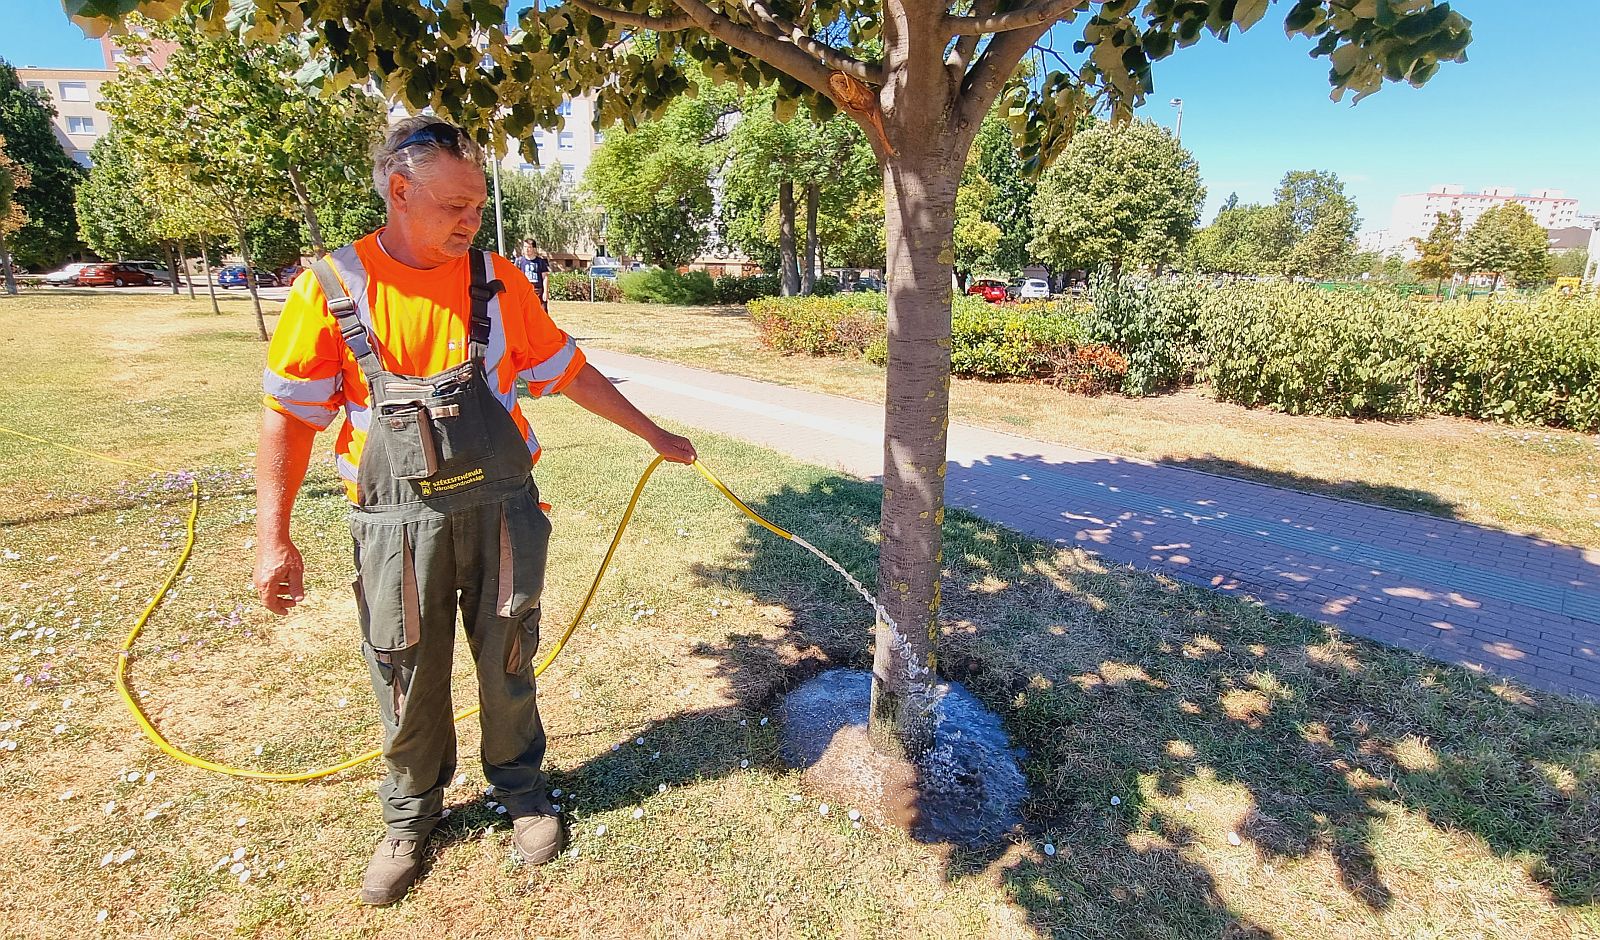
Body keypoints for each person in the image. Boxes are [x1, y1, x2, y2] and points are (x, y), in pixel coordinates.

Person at [253, 117, 695, 907]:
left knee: (510, 656)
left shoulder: (499, 280)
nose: (470, 222)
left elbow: (567, 370)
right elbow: (289, 415)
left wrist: (654, 433)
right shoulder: (331, 286)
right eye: (454, 205)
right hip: (394, 524)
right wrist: (273, 539)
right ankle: (408, 818)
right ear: (398, 191)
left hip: (501, 511)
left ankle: (523, 793)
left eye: (477, 206)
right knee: (404, 671)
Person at [515, 238, 550, 305]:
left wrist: (545, 291)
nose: (527, 249)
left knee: (542, 313)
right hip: (524, 292)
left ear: (534, 249)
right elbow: (515, 277)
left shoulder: (540, 261)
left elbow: (545, 277)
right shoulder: (519, 261)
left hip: (538, 291)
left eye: (529, 247)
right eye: (525, 247)